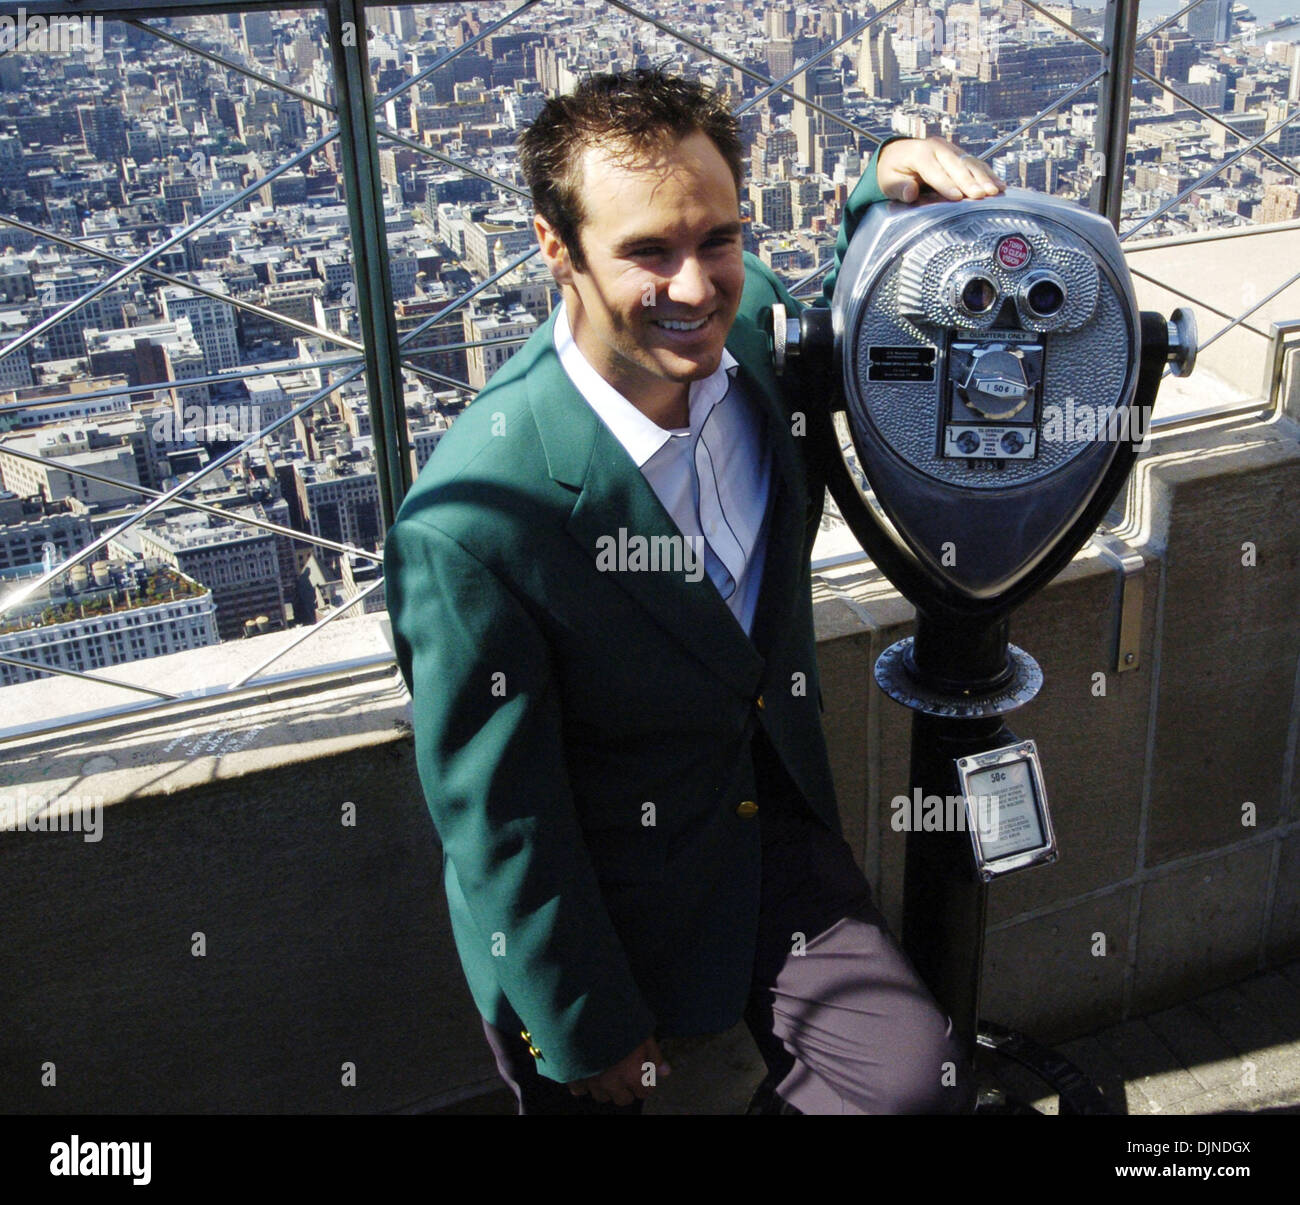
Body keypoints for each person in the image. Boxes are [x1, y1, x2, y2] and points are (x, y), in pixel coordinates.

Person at [384, 69, 1004, 1114]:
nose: (693, 284)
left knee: (912, 1081)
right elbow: (501, 817)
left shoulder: (755, 329)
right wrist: (585, 1020)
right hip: (589, 884)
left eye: (716, 236)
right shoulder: (474, 525)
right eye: (645, 252)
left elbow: (830, 316)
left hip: (769, 825)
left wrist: (877, 199)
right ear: (554, 250)